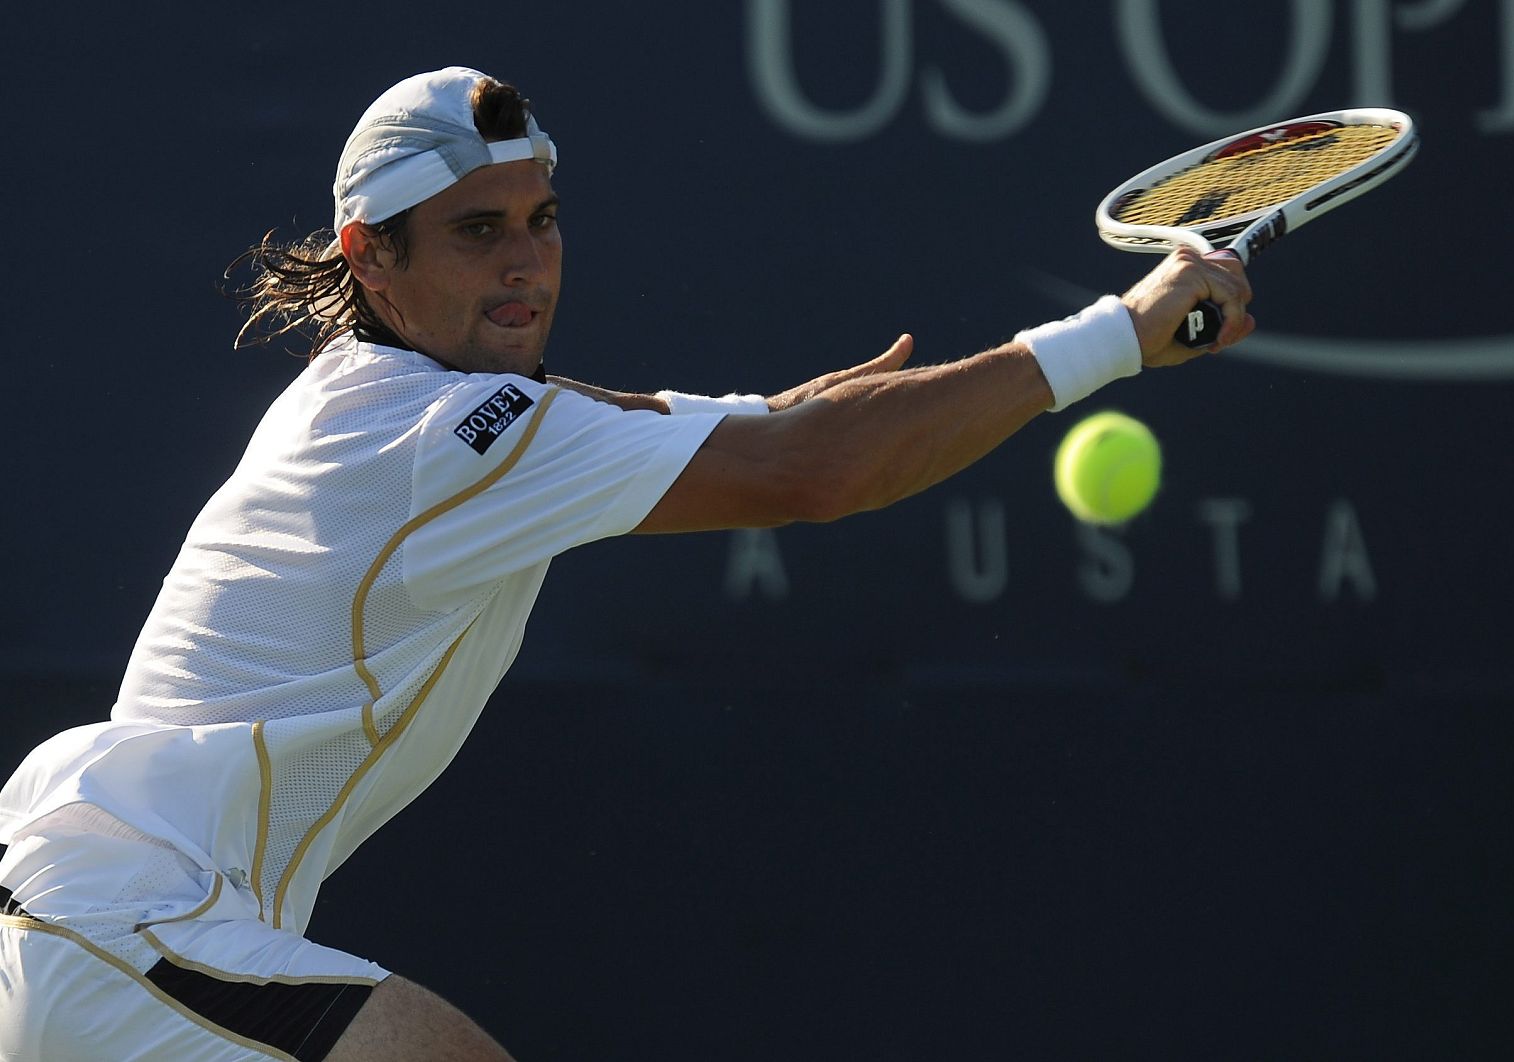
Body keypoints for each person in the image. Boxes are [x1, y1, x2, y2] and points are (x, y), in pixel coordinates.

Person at [0, 67, 1253, 1060]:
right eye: (476, 231)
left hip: (111, 920)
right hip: (119, 917)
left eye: (541, 222)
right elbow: (812, 471)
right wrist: (1118, 338)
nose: (525, 261)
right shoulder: (443, 432)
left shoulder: (414, 404)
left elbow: (753, 429)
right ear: (368, 256)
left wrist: (804, 415)